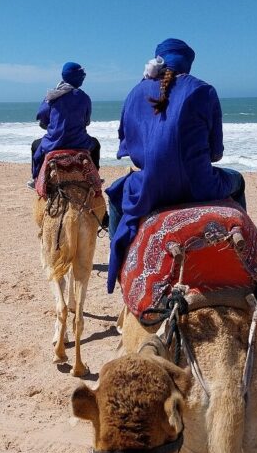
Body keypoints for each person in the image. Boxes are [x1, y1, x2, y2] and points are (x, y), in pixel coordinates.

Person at [105, 38, 245, 292]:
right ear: (188, 63)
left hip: (150, 189)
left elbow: (127, 148)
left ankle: (119, 265)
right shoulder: (204, 90)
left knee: (115, 197)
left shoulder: (136, 92)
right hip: (201, 186)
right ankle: (242, 251)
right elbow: (216, 154)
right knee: (238, 180)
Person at [29, 62, 100, 187]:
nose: (83, 79)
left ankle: (36, 179)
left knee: (35, 145)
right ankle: (94, 176)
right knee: (96, 144)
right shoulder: (84, 97)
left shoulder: (52, 95)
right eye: (82, 76)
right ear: (77, 77)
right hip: (80, 142)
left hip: (54, 143)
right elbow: (86, 121)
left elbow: (42, 117)